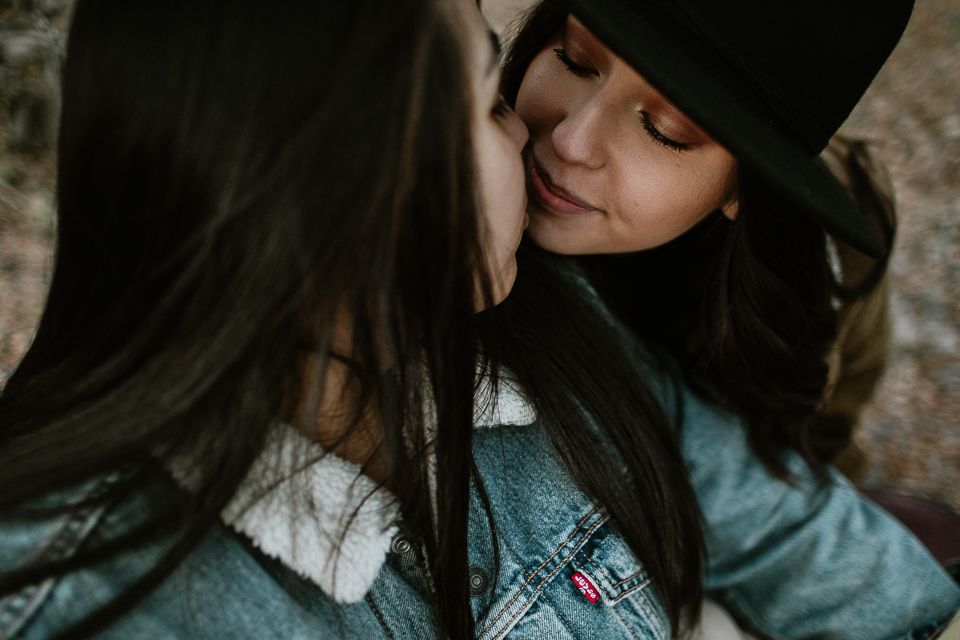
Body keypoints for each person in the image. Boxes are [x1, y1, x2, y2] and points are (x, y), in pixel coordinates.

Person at [0, 1, 957, 640]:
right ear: (332, 168)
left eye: (667, 130)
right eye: (515, 89)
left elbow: (810, 536)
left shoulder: (563, 328)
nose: (557, 139)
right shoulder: (87, 593)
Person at [499, 0, 899, 481]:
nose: (571, 140)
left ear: (748, 189)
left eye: (662, 131)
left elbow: (827, 438)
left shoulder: (830, 260)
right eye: (575, 59)